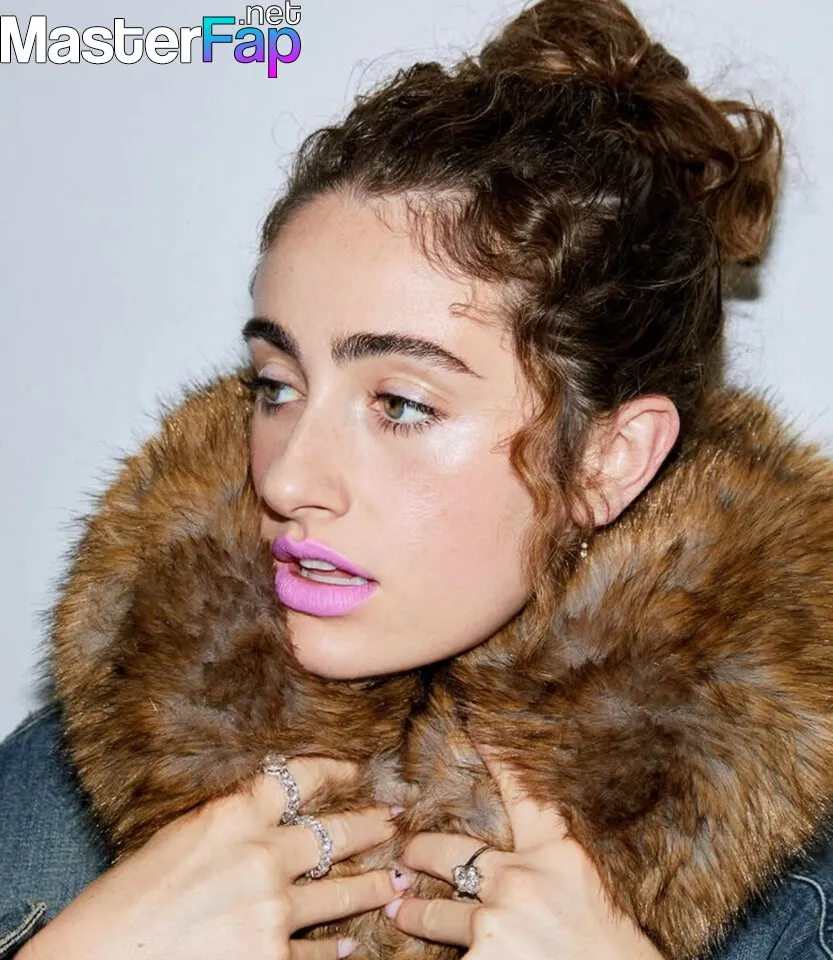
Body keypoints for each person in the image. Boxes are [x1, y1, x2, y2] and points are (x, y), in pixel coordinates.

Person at [2, 0, 833, 958]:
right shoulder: (72, 792)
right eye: (277, 386)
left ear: (607, 460)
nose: (289, 479)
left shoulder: (792, 893)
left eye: (399, 403)